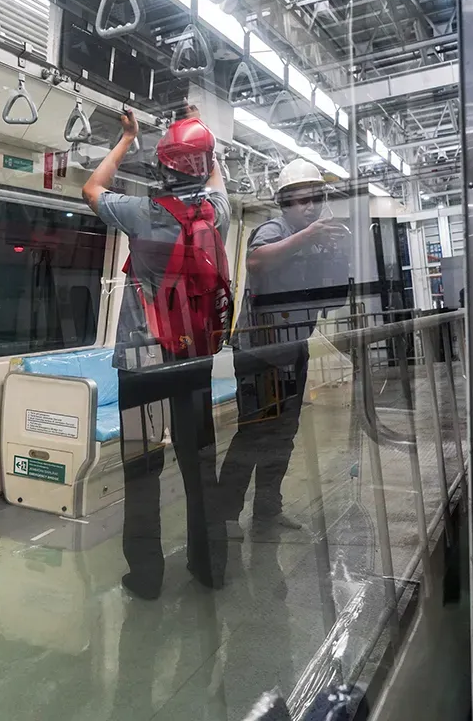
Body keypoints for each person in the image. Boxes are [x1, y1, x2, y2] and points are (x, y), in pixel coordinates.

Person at [82, 107, 231, 599]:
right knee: (199, 460)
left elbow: (91, 189)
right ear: (204, 164)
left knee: (142, 466)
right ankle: (209, 566)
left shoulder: (141, 214)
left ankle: (146, 576)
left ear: (162, 167)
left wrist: (127, 139)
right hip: (195, 357)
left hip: (143, 361)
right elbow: (215, 178)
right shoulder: (218, 214)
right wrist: (206, 142)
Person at [219, 158, 349, 538]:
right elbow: (257, 263)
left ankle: (267, 511)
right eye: (299, 200)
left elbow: (334, 299)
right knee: (254, 433)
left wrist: (337, 256)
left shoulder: (318, 241)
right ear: (285, 202)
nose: (308, 207)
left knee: (284, 433)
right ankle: (226, 514)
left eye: (314, 199)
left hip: (293, 349)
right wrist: (309, 238)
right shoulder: (272, 230)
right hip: (259, 351)